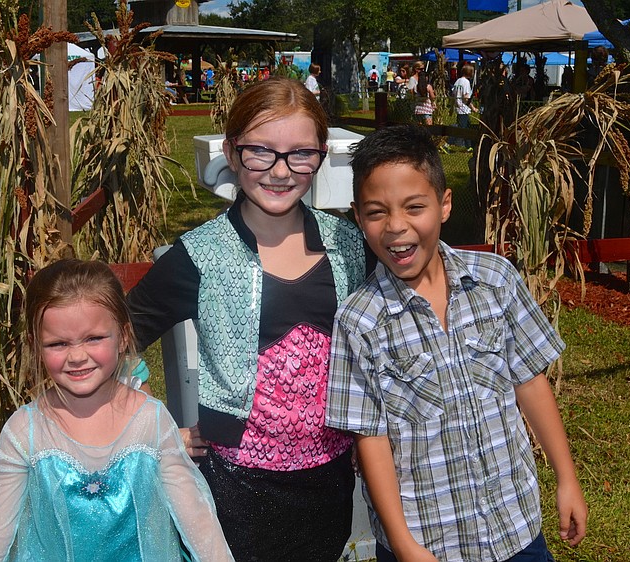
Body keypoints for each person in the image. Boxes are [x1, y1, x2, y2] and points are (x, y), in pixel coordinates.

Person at [126, 77, 371, 561]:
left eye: (301, 154)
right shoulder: (199, 255)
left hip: (330, 483)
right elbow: (114, 338)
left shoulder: (350, 246)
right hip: (235, 490)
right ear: (232, 153)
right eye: (261, 151)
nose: (280, 171)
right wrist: (154, 429)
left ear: (321, 156)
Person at [326, 125, 588, 562]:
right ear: (358, 216)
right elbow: (371, 439)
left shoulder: (496, 280)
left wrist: (567, 477)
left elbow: (530, 382)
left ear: (444, 204)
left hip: (514, 526)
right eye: (376, 212)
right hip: (428, 542)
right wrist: (404, 545)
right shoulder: (358, 322)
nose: (396, 226)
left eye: (415, 207)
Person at [0, 259, 234, 562]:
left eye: (93, 338)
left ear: (123, 336)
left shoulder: (150, 420)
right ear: (35, 345)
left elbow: (196, 517)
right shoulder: (25, 432)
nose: (77, 356)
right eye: (58, 344)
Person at [452, 64, 477, 149]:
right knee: (461, 129)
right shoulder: (466, 82)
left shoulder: (458, 81)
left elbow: (454, 93)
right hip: (463, 108)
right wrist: (473, 108)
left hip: (458, 107)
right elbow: (466, 97)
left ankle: (468, 146)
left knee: (467, 127)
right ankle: (447, 143)